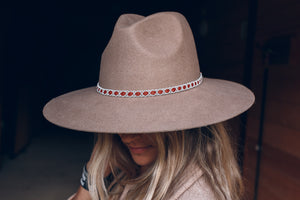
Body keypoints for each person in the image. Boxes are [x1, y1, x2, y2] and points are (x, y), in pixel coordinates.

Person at [43, 12, 254, 200]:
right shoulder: (133, 166)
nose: (126, 136)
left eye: (143, 120)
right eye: (119, 118)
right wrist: (90, 177)